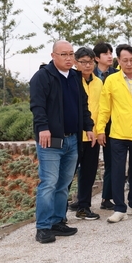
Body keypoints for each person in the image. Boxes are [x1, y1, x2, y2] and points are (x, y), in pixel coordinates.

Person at [30, 40, 95, 243]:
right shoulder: (42, 77)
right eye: (64, 54)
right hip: (51, 140)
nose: (68, 58)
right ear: (53, 56)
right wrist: (43, 128)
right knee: (48, 183)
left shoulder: (75, 77)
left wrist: (89, 127)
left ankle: (58, 221)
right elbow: (37, 106)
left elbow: (83, 105)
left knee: (63, 184)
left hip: (72, 139)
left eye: (71, 54)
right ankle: (43, 227)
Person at [97, 44, 132, 223]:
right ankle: (119, 207)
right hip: (118, 134)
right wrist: (100, 129)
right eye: (125, 60)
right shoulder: (112, 80)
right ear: (119, 61)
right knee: (117, 171)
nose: (129, 64)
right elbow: (104, 108)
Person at [73, 47, 103, 220]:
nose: (87, 65)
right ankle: (60, 212)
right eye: (83, 62)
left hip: (93, 136)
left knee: (89, 173)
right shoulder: (72, 81)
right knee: (68, 175)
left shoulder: (99, 82)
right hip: (75, 136)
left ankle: (83, 207)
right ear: (76, 63)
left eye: (90, 62)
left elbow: (101, 109)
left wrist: (98, 132)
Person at [92, 42, 118, 210]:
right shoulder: (87, 74)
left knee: (111, 163)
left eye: (111, 53)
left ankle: (107, 197)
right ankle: (81, 200)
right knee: (87, 164)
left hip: (112, 125)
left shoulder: (117, 74)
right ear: (96, 58)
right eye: (105, 53)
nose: (110, 56)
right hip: (90, 125)